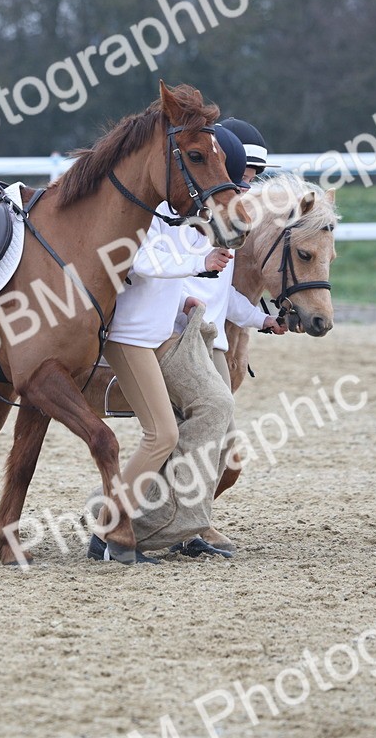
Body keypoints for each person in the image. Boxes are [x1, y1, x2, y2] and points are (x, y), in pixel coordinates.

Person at [89, 161, 234, 565]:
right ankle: (109, 531)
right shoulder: (137, 215)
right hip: (128, 340)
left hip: (149, 336)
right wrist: (200, 265)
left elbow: (164, 270)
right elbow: (143, 263)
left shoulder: (168, 217)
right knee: (162, 436)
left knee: (163, 435)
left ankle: (108, 532)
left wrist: (182, 297)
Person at [178, 116, 286, 555]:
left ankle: (187, 524)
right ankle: (176, 525)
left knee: (224, 454)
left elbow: (226, 294)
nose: (248, 188)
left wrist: (264, 321)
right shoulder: (191, 220)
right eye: (244, 175)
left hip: (214, 341)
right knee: (208, 443)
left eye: (254, 178)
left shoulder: (225, 223)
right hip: (186, 339)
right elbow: (182, 280)